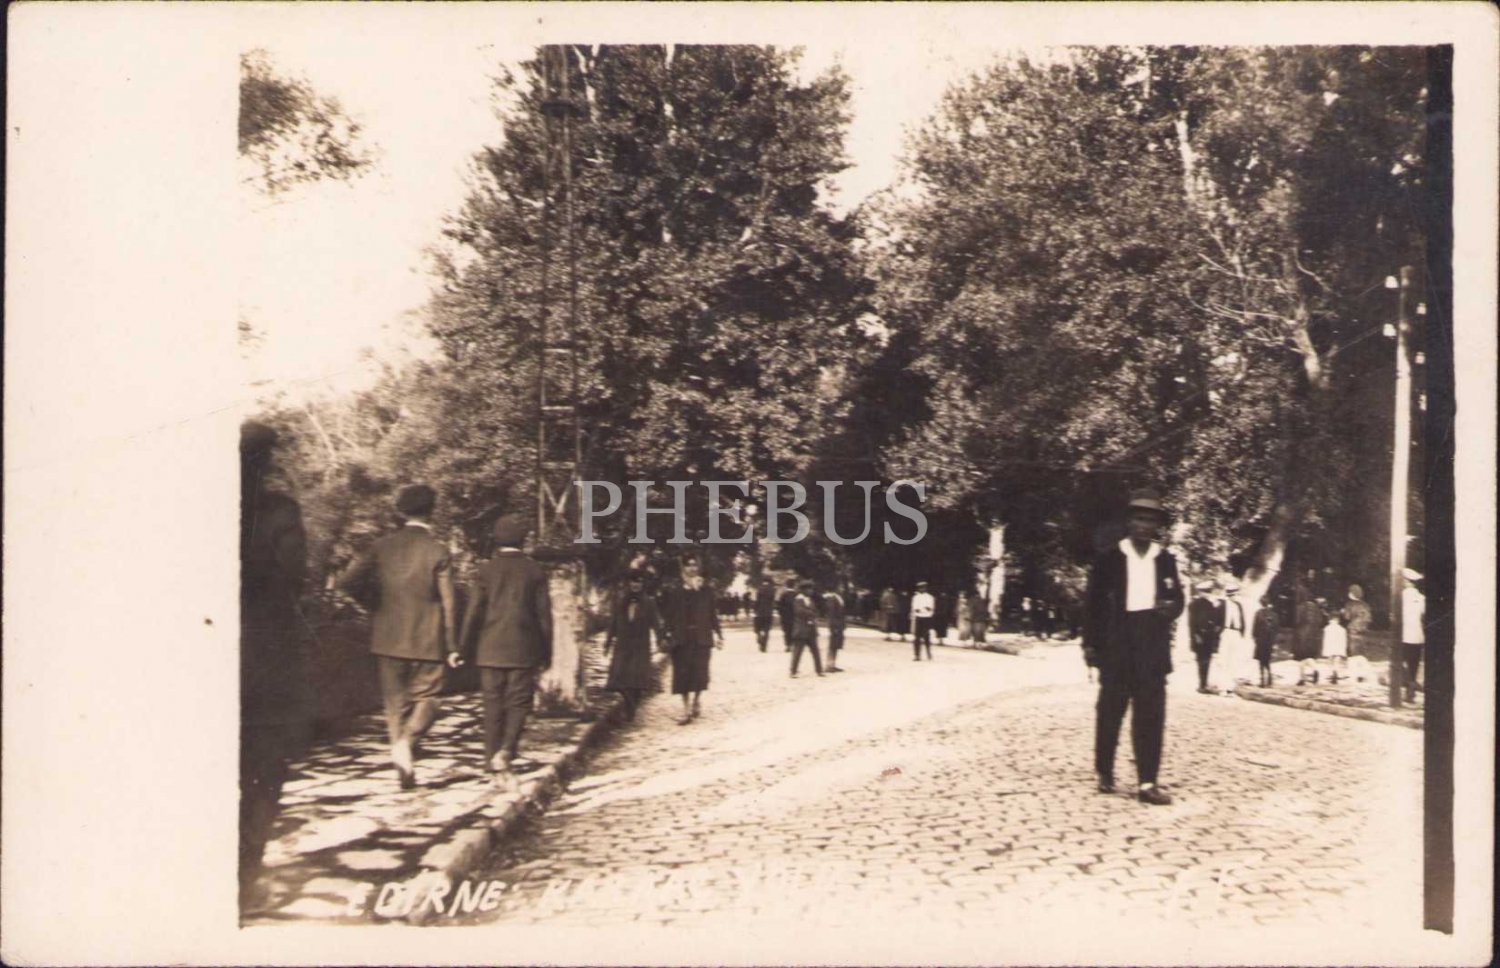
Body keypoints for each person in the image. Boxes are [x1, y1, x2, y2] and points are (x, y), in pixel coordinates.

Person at [340, 484, 460, 790]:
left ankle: (402, 764)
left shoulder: (381, 546)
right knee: (429, 700)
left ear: (401, 511)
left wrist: (375, 605)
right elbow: (449, 603)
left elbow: (347, 581)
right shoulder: (437, 550)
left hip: (388, 638)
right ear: (431, 511)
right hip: (427, 639)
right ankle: (406, 744)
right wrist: (453, 645)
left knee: (395, 706)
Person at [239, 421, 313, 912]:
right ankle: (245, 875)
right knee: (263, 769)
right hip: (262, 658)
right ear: (267, 460)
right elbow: (294, 578)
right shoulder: (280, 512)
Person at [1083, 487, 1185, 806]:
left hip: (1151, 642)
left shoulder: (1165, 560)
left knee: (1151, 714)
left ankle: (1147, 782)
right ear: (1128, 521)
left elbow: (1178, 599)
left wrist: (1170, 608)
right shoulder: (1109, 558)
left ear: (1158, 526)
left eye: (1150, 520)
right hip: (1117, 641)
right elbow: (1093, 606)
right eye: (1138, 519)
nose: (1143, 525)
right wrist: (1091, 645)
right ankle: (1104, 770)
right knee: (1110, 710)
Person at [459, 513, 552, 784]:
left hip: (489, 649)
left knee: (492, 704)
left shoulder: (485, 570)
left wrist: (461, 647)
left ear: (496, 539)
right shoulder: (535, 571)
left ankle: (491, 762)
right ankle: (506, 751)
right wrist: (547, 652)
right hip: (523, 649)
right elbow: (544, 617)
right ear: (523, 540)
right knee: (518, 703)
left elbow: (472, 612)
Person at [663, 554, 723, 723]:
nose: (692, 568)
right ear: (683, 568)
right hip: (681, 639)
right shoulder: (676, 591)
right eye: (688, 565)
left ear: (698, 567)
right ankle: (686, 709)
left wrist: (719, 634)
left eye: (694, 565)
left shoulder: (706, 590)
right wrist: (665, 634)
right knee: (682, 674)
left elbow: (712, 614)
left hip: (701, 638)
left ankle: (696, 699)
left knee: (700, 673)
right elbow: (669, 615)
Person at [602, 567, 662, 720]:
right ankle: (631, 705)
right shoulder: (621, 601)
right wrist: (607, 643)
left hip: (640, 646)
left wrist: (660, 639)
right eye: (633, 582)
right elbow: (613, 623)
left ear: (643, 584)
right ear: (629, 583)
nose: (636, 585)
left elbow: (656, 623)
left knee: (636, 681)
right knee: (618, 678)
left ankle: (630, 710)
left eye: (639, 582)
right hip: (622, 645)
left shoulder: (649, 603)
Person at [1187, 580, 1222, 694]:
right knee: (1201, 660)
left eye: (1208, 592)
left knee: (1207, 660)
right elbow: (1191, 623)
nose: (1207, 594)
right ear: (1200, 592)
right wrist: (1195, 635)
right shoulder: (1194, 604)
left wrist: (1216, 630)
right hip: (1199, 636)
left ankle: (1204, 684)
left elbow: (1215, 620)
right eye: (1205, 592)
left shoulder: (1211, 604)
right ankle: (1202, 684)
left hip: (1209, 636)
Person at [1217, 581, 1250, 691]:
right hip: (1226, 632)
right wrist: (1219, 632)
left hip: (1236, 633)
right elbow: (1217, 619)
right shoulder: (1223, 605)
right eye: (1234, 594)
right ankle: (1222, 686)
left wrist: (1242, 634)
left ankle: (1230, 686)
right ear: (1230, 595)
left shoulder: (1238, 605)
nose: (1236, 596)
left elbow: (1242, 620)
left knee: (1234, 659)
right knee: (1224, 659)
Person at [1400, 567, 1426, 702]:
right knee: (1414, 663)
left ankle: (1406, 687)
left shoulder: (1400, 596)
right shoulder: (1421, 598)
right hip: (1417, 635)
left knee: (1402, 661)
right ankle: (1411, 691)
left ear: (1406, 581)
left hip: (1403, 634)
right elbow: (1423, 615)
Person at [789, 579, 824, 678]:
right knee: (798, 651)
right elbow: (799, 612)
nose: (811, 591)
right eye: (809, 589)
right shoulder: (798, 600)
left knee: (816, 651)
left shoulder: (810, 600)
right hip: (801, 629)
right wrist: (811, 614)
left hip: (811, 629)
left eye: (811, 589)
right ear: (803, 590)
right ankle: (793, 671)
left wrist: (813, 614)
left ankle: (819, 670)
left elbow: (816, 611)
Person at [1294, 596, 1326, 685]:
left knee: (1301, 657)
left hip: (1302, 635)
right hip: (1313, 637)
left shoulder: (1301, 607)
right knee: (1309, 656)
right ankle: (1315, 669)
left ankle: (1302, 678)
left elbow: (1297, 621)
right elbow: (1320, 623)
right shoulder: (1318, 611)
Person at [1252, 600, 1281, 687]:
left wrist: (1255, 637)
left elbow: (1255, 627)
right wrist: (1273, 639)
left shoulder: (1258, 613)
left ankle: (1262, 680)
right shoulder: (1274, 615)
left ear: (1261, 603)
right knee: (1267, 659)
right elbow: (1277, 628)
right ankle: (1269, 678)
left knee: (1261, 660)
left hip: (1261, 639)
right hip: (1269, 640)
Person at [1342, 584, 1372, 658]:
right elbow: (1369, 617)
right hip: (1363, 629)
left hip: (1353, 628)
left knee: (1353, 648)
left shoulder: (1349, 604)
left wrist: (1343, 612)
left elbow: (1347, 617)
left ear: (1352, 594)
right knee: (1361, 647)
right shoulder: (1365, 605)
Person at [1321, 606, 1349, 684]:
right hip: (1339, 648)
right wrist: (1344, 649)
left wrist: (1324, 649)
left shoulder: (1327, 628)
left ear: (1330, 620)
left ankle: (1332, 672)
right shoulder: (1342, 629)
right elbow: (1344, 640)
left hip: (1330, 647)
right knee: (1337, 661)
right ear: (1338, 620)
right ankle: (1336, 672)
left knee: (1330, 661)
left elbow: (1325, 640)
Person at [910, 581, 936, 661]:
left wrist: (924, 609)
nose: (921, 589)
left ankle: (928, 652)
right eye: (920, 588)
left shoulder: (930, 597)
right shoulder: (916, 597)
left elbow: (930, 608)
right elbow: (914, 608)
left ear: (926, 588)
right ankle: (917, 655)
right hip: (918, 618)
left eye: (923, 588)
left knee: (926, 636)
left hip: (927, 618)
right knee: (917, 637)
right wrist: (920, 610)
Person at [824, 587, 847, 672]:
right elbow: (832, 614)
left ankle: (832, 664)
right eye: (840, 587)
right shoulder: (833, 599)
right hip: (835, 626)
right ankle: (828, 665)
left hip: (839, 626)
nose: (842, 589)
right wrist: (834, 627)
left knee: (836, 646)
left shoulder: (839, 598)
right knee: (832, 645)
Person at [753, 578, 776, 652]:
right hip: (768, 612)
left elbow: (757, 601)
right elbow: (772, 601)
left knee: (758, 628)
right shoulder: (772, 590)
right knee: (767, 630)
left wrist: (755, 609)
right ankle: (764, 646)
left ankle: (759, 635)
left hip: (760, 612)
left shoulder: (759, 589)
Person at [777, 578, 798, 653]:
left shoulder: (783, 595)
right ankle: (794, 644)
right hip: (795, 616)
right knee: (794, 630)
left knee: (786, 631)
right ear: (794, 585)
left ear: (786, 585)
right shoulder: (797, 595)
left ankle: (788, 645)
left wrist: (781, 614)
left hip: (785, 616)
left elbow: (779, 606)